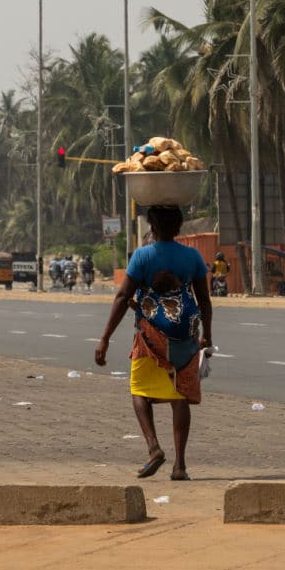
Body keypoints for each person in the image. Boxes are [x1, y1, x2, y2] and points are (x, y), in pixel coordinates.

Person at [96, 206, 213, 481]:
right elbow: (204, 300)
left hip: (150, 335)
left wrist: (105, 338)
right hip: (185, 334)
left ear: (153, 227)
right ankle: (180, 465)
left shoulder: (143, 255)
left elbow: (123, 297)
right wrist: (207, 333)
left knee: (139, 391)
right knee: (179, 395)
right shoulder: (192, 256)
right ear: (179, 226)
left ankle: (153, 448)